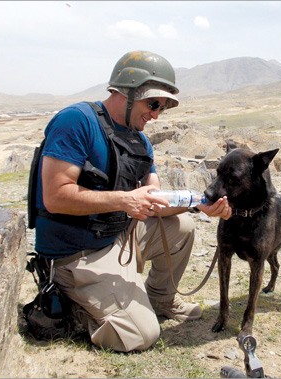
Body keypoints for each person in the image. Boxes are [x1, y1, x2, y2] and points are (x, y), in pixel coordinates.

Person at [35, 50, 232, 352]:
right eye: (153, 103)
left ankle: (160, 299)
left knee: (183, 226)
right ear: (126, 91)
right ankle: (73, 306)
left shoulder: (139, 141)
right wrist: (124, 200)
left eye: (162, 108)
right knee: (142, 335)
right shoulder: (76, 121)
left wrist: (198, 204)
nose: (156, 114)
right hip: (78, 252)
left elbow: (155, 199)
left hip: (118, 237)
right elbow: (55, 196)